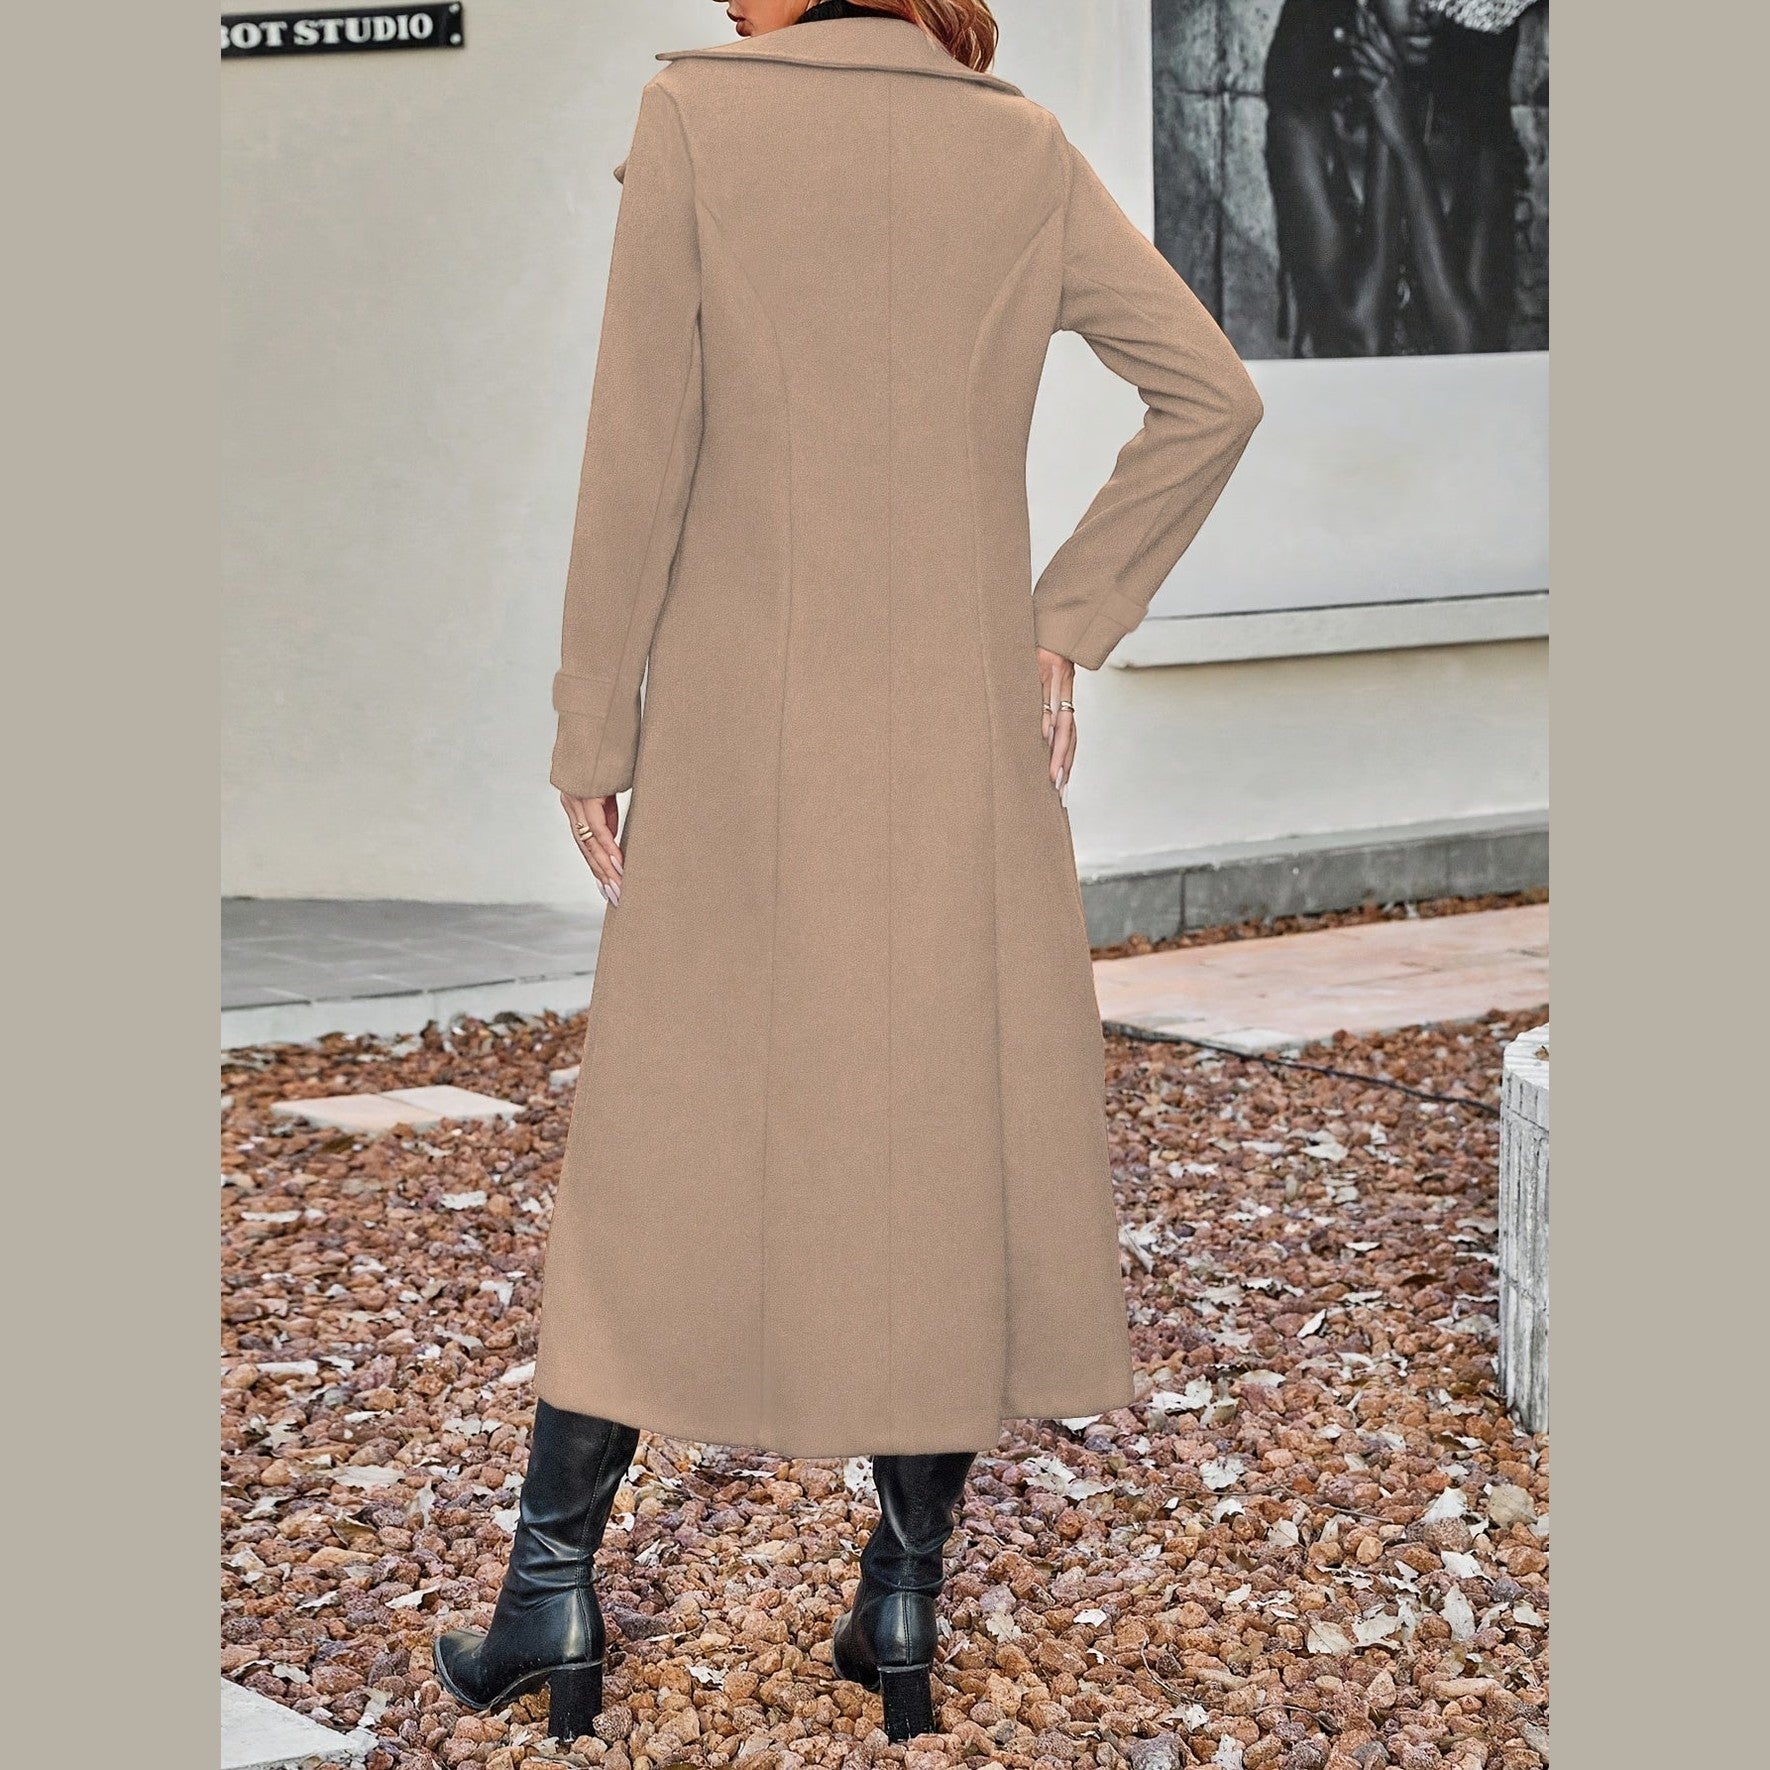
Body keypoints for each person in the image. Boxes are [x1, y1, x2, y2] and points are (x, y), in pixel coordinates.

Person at [434, 0, 1262, 1745]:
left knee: (660, 1137)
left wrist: (592, 722)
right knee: (930, 1131)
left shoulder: (697, 117)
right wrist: (1062, 626)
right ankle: (901, 1596)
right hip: (956, 733)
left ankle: (549, 1591)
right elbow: (1211, 394)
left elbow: (637, 449)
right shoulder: (1014, 142)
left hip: (741, 727)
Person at [1263, 0, 1534, 355]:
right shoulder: (1303, 133)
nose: (1426, 8)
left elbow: (1471, 348)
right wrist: (1385, 124)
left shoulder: (1477, 139)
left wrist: (1405, 140)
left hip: (1455, 393)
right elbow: (1362, 341)